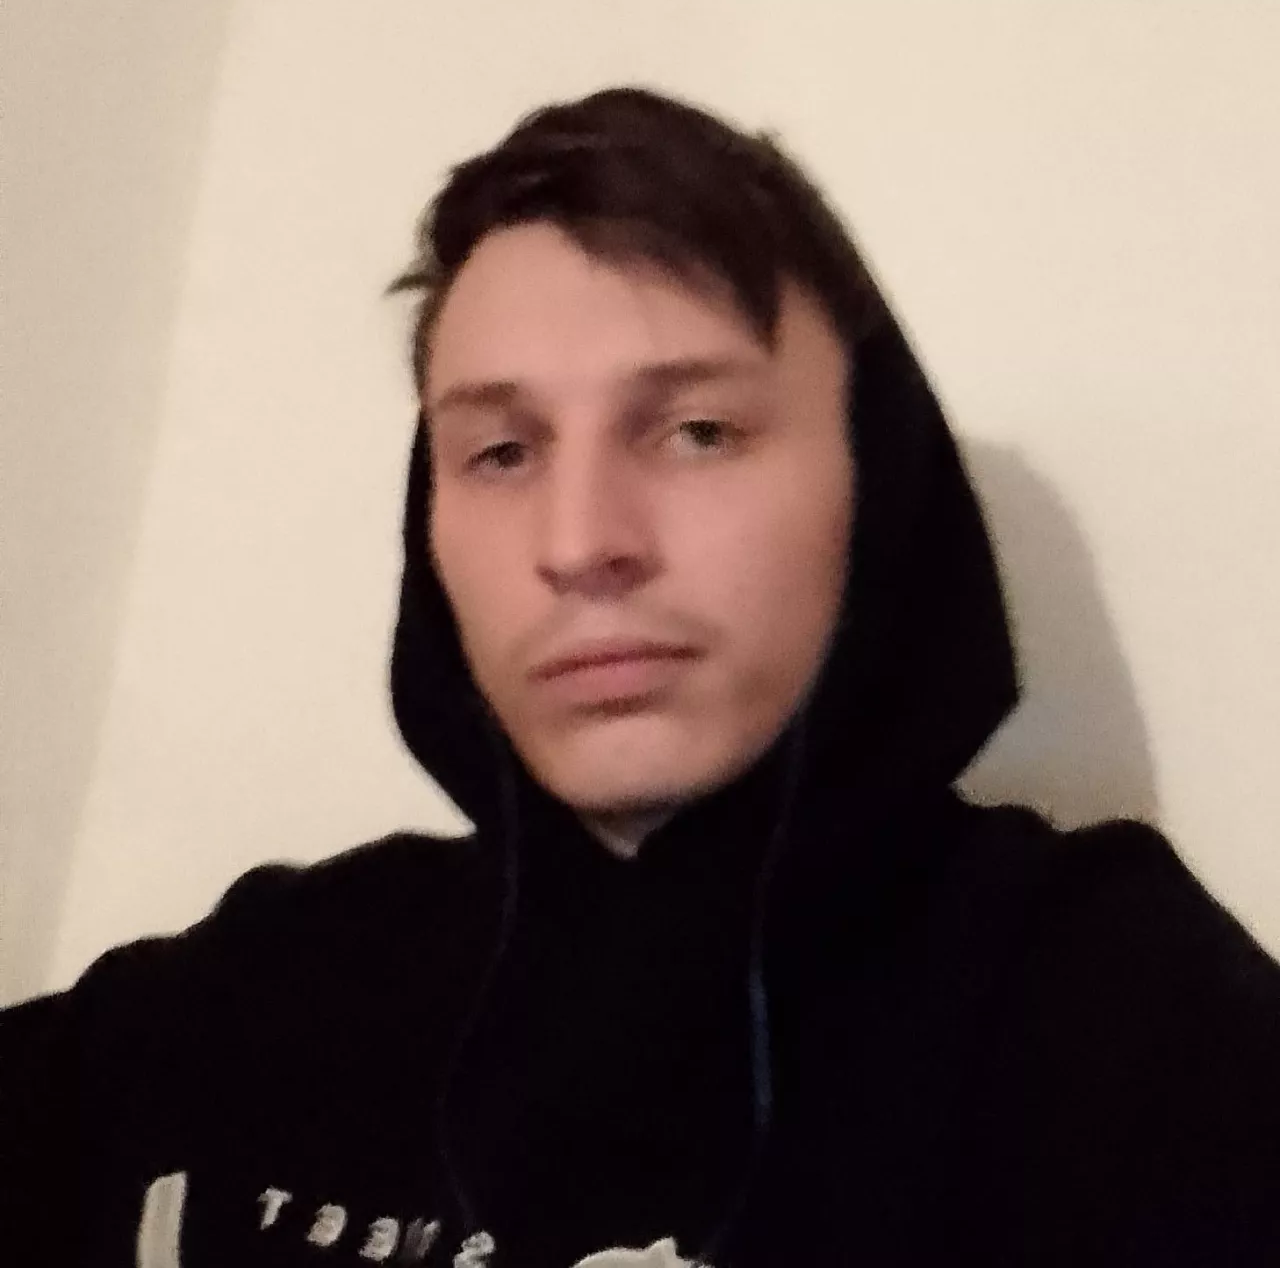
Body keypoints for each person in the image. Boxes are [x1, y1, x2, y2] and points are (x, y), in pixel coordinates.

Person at [3, 86, 1278, 1268]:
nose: (579, 543)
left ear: (878, 479)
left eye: (695, 431)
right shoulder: (267, 985)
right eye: (501, 452)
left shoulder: (1115, 1020)